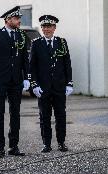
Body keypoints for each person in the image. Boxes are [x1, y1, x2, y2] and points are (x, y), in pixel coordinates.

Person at [0, 6, 30, 157]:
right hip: (0, 81)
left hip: (16, 81)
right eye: (16, 18)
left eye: (19, 18)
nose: (19, 21)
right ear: (8, 20)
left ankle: (14, 145)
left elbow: (25, 59)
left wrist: (26, 77)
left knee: (15, 113)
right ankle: (0, 146)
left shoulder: (22, 36)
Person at [29, 15, 73, 153]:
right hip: (43, 88)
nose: (46, 29)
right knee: (44, 117)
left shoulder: (62, 42)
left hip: (59, 87)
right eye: (44, 27)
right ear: (41, 28)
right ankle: (46, 144)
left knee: (61, 116)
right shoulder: (36, 43)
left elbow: (67, 64)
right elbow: (32, 66)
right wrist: (34, 85)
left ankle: (61, 142)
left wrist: (69, 83)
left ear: (54, 28)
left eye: (49, 27)